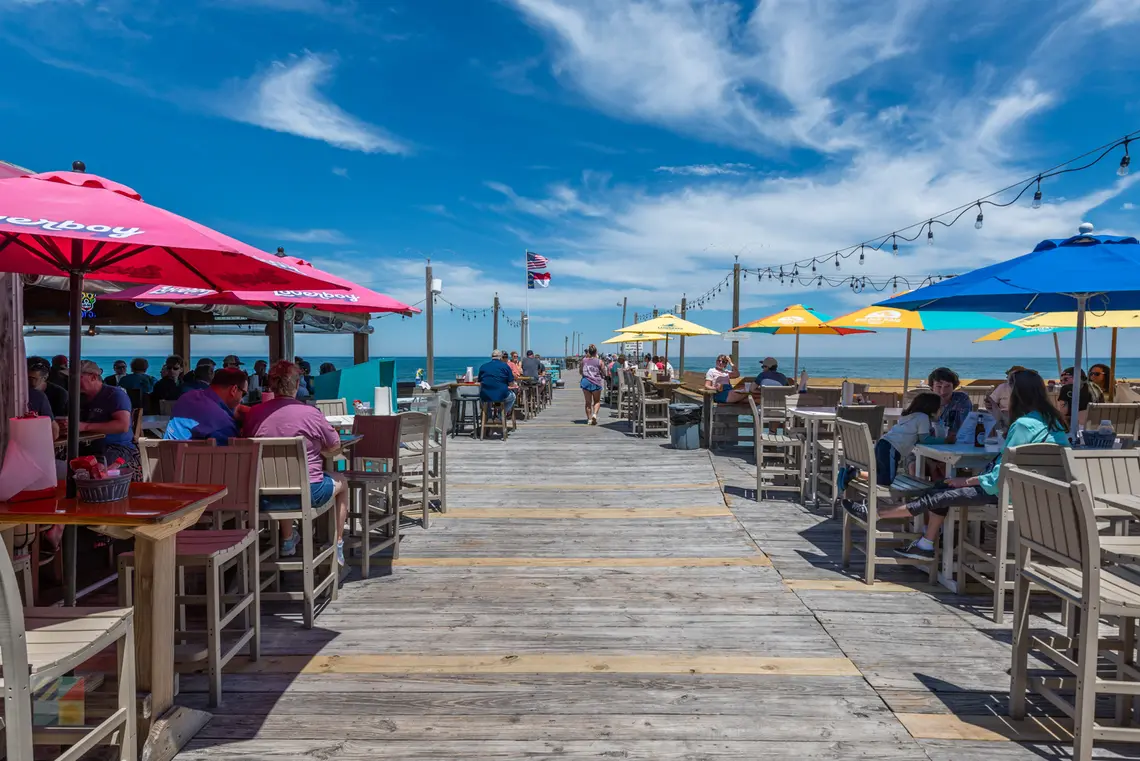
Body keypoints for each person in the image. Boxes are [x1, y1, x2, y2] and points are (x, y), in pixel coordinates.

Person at [846, 370, 1069, 561]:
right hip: (1036, 489)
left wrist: (969, 480)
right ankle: (926, 544)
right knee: (943, 486)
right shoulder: (1052, 420)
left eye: (1005, 391)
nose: (1003, 396)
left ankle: (879, 513)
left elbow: (1004, 472)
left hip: (1011, 491)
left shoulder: (1024, 425)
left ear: (1017, 394)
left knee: (942, 493)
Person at [244, 361, 349, 563]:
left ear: (271, 385)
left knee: (283, 479)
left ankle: (287, 539)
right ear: (297, 383)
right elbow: (335, 444)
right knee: (342, 482)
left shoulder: (254, 414)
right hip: (308, 494)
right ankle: (337, 543)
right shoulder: (310, 413)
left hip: (263, 496)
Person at [76, 360, 140, 478]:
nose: (71, 382)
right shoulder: (77, 397)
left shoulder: (115, 395)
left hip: (116, 447)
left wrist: (84, 426)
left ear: (93, 377)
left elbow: (123, 425)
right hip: (86, 446)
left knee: (97, 470)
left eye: (76, 378)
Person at [163, 368, 248, 444]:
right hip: (192, 460)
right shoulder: (224, 425)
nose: (241, 400)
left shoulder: (188, 396)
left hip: (167, 456)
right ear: (234, 390)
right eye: (243, 394)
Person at [874, 393, 941, 486]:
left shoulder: (909, 415)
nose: (940, 410)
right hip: (891, 447)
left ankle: (859, 475)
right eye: (939, 407)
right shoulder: (923, 417)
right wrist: (944, 440)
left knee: (881, 474)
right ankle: (888, 498)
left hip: (883, 443)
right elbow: (924, 439)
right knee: (887, 479)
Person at [926, 367, 972, 443]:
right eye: (939, 386)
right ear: (932, 387)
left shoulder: (961, 399)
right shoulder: (925, 403)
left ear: (953, 387)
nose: (943, 391)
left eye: (947, 386)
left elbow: (966, 425)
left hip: (957, 443)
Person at [478, 349, 516, 420]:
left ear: (491, 357)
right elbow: (511, 384)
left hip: (486, 395)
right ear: (501, 357)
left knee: (484, 398)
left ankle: (488, 417)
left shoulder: (483, 366)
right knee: (512, 397)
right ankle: (500, 415)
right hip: (501, 395)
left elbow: (480, 381)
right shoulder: (505, 366)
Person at [27, 362, 60, 439]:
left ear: (44, 378)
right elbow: (54, 432)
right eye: (27, 377)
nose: (29, 381)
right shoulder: (38, 396)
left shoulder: (59, 393)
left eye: (33, 378)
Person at [579, 344, 605, 424]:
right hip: (596, 382)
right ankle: (594, 415)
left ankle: (589, 419)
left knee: (588, 402)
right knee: (596, 401)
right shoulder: (600, 361)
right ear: (596, 352)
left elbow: (580, 371)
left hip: (585, 382)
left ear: (589, 352)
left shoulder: (584, 360)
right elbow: (604, 373)